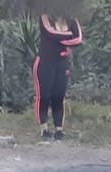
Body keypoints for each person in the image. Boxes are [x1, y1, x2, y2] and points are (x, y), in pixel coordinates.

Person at [34, 13, 82, 141]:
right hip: (45, 62)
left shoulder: (72, 20)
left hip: (62, 63)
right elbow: (50, 33)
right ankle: (44, 128)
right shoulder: (45, 17)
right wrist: (68, 36)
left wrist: (58, 38)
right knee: (44, 95)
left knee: (59, 96)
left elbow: (78, 39)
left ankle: (59, 129)